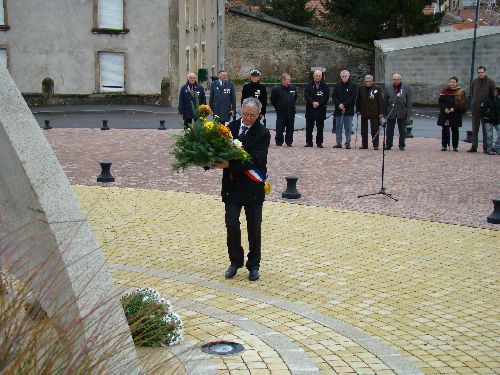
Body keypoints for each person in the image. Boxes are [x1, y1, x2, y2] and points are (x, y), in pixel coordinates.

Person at [213, 97, 271, 282]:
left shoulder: (263, 133)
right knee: (231, 224)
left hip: (252, 187)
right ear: (241, 111)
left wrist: (229, 165)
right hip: (232, 187)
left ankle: (254, 265)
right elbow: (219, 151)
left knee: (254, 228)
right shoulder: (229, 128)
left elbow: (255, 159)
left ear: (258, 115)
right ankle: (235, 262)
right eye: (245, 114)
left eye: (252, 115)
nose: (247, 118)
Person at [468, 66, 496, 154]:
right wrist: (472, 104)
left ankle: (486, 147)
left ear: (485, 72)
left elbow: (493, 96)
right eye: (479, 72)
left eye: (482, 72)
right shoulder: (474, 82)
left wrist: (491, 109)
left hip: (486, 111)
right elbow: (472, 94)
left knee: (485, 130)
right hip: (475, 109)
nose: (480, 74)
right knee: (474, 129)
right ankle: (474, 146)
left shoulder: (491, 82)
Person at [436, 76, 467, 152]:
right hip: (445, 114)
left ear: (456, 83)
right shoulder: (444, 91)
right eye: (451, 82)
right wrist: (445, 108)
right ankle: (444, 145)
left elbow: (463, 103)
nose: (452, 83)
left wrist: (455, 108)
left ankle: (455, 146)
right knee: (445, 129)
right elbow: (440, 101)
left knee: (455, 130)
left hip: (455, 114)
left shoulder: (460, 91)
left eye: (454, 82)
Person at [384, 73, 412, 151]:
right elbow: (385, 101)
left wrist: (408, 114)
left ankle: (402, 145)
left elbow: (409, 102)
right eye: (394, 79)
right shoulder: (388, 88)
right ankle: (388, 144)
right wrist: (384, 113)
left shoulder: (406, 88)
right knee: (389, 129)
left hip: (402, 111)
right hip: (391, 111)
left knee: (402, 130)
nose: (395, 81)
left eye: (397, 79)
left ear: (400, 79)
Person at [355, 74, 384, 150]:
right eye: (366, 81)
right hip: (364, 111)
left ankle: (375, 145)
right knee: (364, 129)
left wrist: (381, 112)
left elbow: (380, 101)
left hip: (374, 111)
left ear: (372, 81)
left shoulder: (377, 88)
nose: (367, 83)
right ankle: (364, 144)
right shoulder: (361, 88)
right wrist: (357, 110)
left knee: (374, 129)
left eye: (369, 81)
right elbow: (358, 100)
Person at [270, 73, 297, 147]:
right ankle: (279, 142)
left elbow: (294, 99)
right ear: (283, 80)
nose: (290, 81)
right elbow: (273, 100)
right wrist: (278, 108)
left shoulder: (293, 89)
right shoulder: (276, 89)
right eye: (289, 79)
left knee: (290, 128)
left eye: (290, 79)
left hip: (291, 112)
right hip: (281, 113)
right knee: (280, 129)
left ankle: (289, 142)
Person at [304, 70, 330, 148]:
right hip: (310, 109)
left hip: (320, 109)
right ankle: (309, 142)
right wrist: (313, 102)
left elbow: (326, 97)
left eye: (319, 76)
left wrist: (319, 103)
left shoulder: (325, 86)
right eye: (316, 76)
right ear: (313, 76)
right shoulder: (308, 85)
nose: (318, 77)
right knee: (309, 128)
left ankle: (319, 142)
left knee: (320, 128)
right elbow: (306, 95)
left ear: (322, 77)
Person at [332, 70, 357, 149]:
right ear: (341, 77)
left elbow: (352, 97)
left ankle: (347, 143)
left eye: (346, 76)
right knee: (338, 127)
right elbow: (334, 96)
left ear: (348, 76)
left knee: (348, 127)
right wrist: (339, 104)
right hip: (338, 109)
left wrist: (344, 104)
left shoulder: (352, 86)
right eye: (343, 76)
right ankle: (338, 143)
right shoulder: (337, 85)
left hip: (348, 109)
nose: (344, 78)